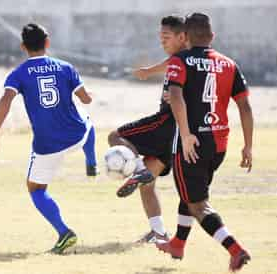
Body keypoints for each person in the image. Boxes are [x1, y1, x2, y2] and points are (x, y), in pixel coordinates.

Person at [155, 13, 253, 273]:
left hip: (192, 144)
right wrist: (248, 146)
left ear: (185, 37)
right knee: (190, 193)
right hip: (219, 145)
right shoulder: (229, 64)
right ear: (212, 37)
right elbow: (245, 106)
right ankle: (177, 244)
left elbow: (175, 96)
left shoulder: (180, 60)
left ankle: (235, 249)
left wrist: (186, 135)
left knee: (198, 205)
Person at [0, 23, 93, 254]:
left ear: (23, 46)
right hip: (75, 135)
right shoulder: (66, 67)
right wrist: (88, 94)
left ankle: (64, 232)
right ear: (47, 42)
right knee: (87, 120)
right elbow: (86, 100)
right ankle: (91, 159)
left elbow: (6, 99)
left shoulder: (19, 73)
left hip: (48, 145)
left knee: (35, 188)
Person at [108, 15, 187, 243]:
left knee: (116, 136)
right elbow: (170, 63)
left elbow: (185, 85)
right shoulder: (181, 58)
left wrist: (174, 97)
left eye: (166, 36)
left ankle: (139, 168)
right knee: (147, 184)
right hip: (176, 135)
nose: (162, 40)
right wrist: (149, 71)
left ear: (182, 37)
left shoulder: (185, 60)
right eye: (160, 36)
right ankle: (159, 233)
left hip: (166, 122)